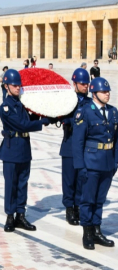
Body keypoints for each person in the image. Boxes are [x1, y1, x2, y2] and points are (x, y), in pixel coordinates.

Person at [0, 69, 51, 233]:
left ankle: (20, 215)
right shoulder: (5, 107)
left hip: (23, 149)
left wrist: (44, 112)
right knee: (11, 185)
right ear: (7, 86)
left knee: (22, 183)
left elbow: (30, 119)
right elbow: (22, 125)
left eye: (19, 85)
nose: (17, 87)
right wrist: (43, 122)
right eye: (14, 85)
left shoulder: (23, 104)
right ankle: (9, 216)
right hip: (11, 149)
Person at [72, 77, 117, 250]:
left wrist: (115, 162)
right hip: (90, 163)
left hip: (107, 163)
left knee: (100, 199)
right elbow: (78, 143)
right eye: (104, 92)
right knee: (87, 199)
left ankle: (97, 230)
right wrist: (80, 167)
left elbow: (116, 139)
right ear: (94, 93)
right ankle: (87, 232)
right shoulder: (85, 111)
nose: (107, 94)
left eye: (108, 91)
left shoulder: (113, 112)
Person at [59, 68, 92, 226]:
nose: (85, 86)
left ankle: (78, 206)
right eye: (82, 83)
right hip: (70, 144)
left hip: (85, 147)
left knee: (81, 179)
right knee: (69, 179)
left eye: (87, 83)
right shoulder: (68, 100)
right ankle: (69, 208)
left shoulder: (90, 103)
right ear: (74, 83)